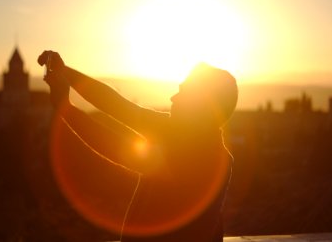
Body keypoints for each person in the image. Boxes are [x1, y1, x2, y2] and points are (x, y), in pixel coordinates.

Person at [38, 51, 238, 242]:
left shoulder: (208, 158)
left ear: (201, 106)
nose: (172, 98)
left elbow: (115, 147)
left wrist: (65, 107)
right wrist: (66, 72)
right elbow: (118, 106)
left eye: (183, 93)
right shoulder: (181, 132)